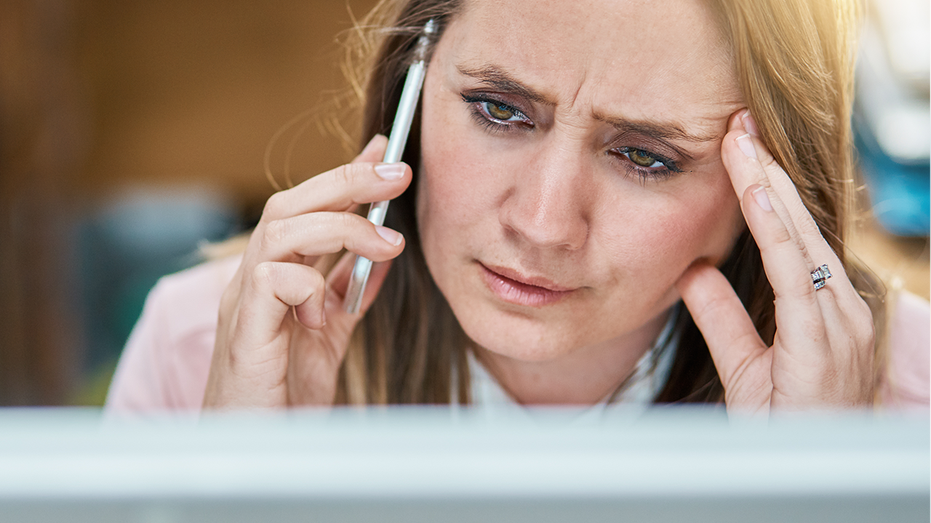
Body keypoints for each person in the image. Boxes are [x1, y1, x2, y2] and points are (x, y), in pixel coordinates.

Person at [106, 0, 929, 415]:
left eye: (645, 156)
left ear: (773, 184)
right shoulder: (205, 347)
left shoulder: (904, 393)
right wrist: (237, 490)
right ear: (412, 91)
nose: (540, 224)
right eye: (499, 111)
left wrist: (816, 490)